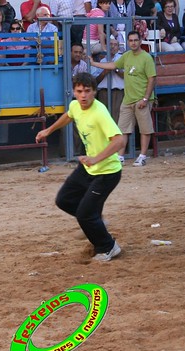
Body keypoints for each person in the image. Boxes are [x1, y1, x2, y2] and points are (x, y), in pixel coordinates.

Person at [35, 72, 124, 262]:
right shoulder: (75, 105)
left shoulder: (100, 113)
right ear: (74, 92)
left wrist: (96, 158)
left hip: (107, 172)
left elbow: (119, 141)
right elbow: (69, 115)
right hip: (88, 168)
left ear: (94, 92)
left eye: (87, 91)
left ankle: (108, 247)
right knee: (64, 200)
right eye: (79, 91)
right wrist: (48, 130)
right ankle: (95, 221)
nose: (83, 96)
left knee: (85, 215)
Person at [89, 30, 156, 167]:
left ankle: (142, 156)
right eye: (130, 40)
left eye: (135, 40)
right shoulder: (126, 56)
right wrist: (94, 64)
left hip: (141, 99)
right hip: (128, 98)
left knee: (144, 129)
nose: (133, 43)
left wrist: (145, 98)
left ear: (140, 41)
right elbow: (113, 65)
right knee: (122, 129)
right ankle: (120, 157)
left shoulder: (146, 57)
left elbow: (152, 79)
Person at [91, 38, 124, 123]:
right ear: (106, 46)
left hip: (117, 92)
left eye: (115, 44)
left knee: (117, 118)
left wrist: (115, 69)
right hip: (104, 92)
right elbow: (96, 80)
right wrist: (104, 72)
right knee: (104, 119)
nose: (113, 47)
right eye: (110, 44)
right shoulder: (103, 61)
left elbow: (126, 76)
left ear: (118, 47)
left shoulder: (122, 59)